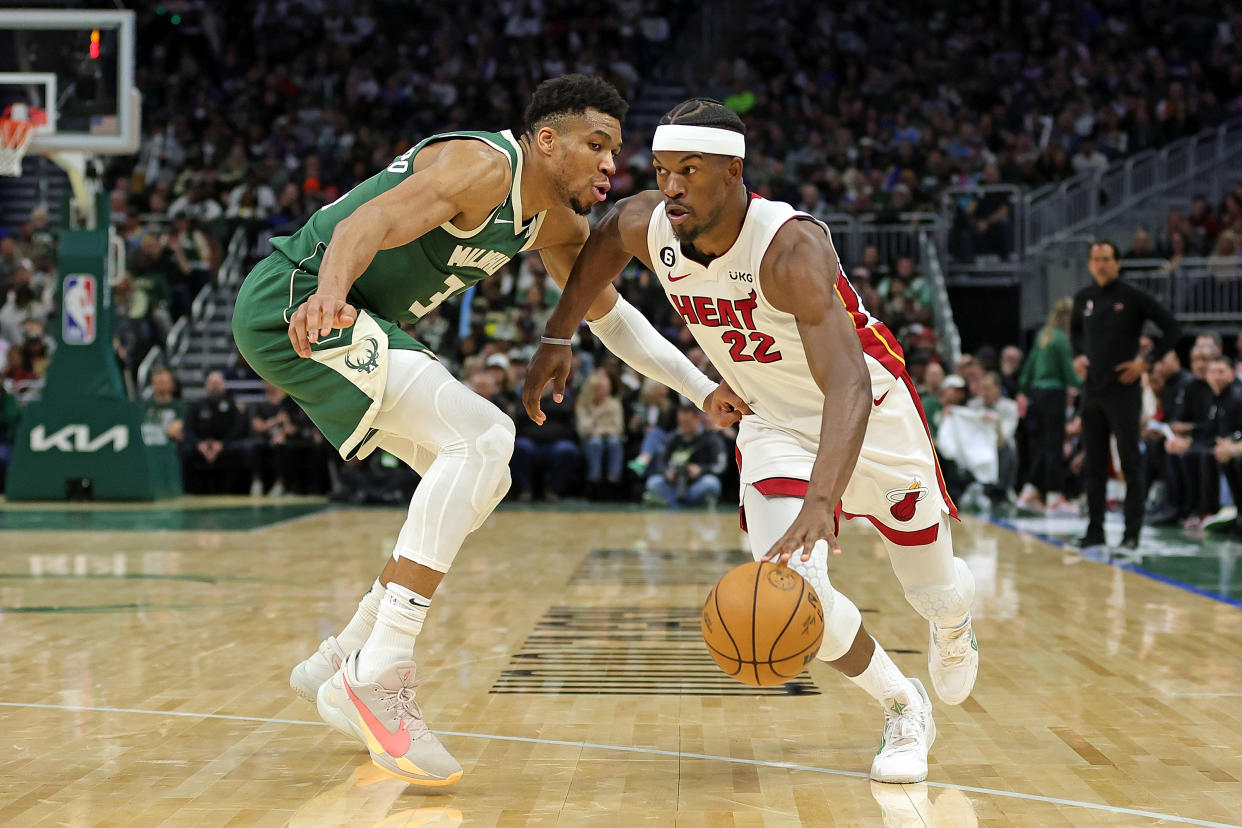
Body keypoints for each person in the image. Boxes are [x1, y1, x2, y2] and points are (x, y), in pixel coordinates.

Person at [231, 76, 742, 786]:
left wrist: (699, 387)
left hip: (345, 316)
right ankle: (377, 670)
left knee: (485, 473)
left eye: (615, 151)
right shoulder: (483, 166)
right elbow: (359, 226)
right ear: (546, 140)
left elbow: (612, 317)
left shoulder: (554, 224)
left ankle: (346, 654)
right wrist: (329, 299)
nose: (610, 166)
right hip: (298, 300)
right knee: (483, 437)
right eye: (597, 145)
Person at [522, 98, 978, 784]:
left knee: (933, 591)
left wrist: (823, 502)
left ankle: (952, 622)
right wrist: (560, 334)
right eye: (661, 170)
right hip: (772, 426)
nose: (670, 186)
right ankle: (902, 703)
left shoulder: (790, 248)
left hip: (869, 418)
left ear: (733, 171)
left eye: (689, 171)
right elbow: (601, 246)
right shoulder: (651, 222)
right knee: (798, 594)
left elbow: (849, 388)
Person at [1071, 240, 1181, 550]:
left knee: (1131, 462)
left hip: (1123, 391)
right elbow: (1075, 334)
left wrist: (1145, 362)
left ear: (1118, 263)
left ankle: (1131, 534)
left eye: (1107, 258)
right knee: (1094, 464)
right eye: (1096, 259)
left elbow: (1172, 329)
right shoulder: (1084, 298)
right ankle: (1095, 531)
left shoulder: (1133, 297)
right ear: (1090, 264)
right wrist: (1077, 356)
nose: (1101, 264)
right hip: (1092, 390)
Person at [1015, 298, 1081, 515]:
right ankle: (1054, 496)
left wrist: (1023, 390)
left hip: (1036, 394)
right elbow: (1069, 373)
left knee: (1042, 446)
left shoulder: (1043, 336)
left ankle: (1030, 490)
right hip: (1053, 395)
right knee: (1053, 445)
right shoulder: (1061, 340)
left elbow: (1029, 367)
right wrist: (1086, 385)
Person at [643, 403, 726, 507]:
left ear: (697, 419)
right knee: (653, 482)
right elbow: (661, 462)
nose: (683, 426)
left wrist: (701, 469)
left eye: (687, 422)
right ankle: (683, 504)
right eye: (680, 423)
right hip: (674, 484)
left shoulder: (711, 438)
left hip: (697, 483)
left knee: (711, 483)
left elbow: (721, 466)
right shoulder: (673, 438)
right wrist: (667, 473)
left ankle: (676, 504)